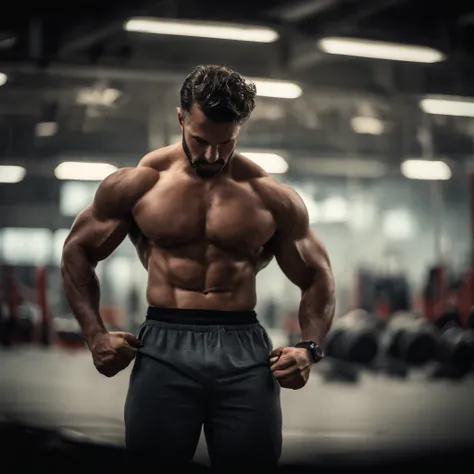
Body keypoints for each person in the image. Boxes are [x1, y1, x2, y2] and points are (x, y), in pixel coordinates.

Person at [61, 64, 335, 472]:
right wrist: (95, 336)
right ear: (181, 118)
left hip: (242, 346)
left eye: (227, 144)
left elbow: (317, 276)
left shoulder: (270, 197)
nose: (212, 156)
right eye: (201, 140)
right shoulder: (140, 183)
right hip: (164, 343)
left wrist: (309, 349)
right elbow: (77, 251)